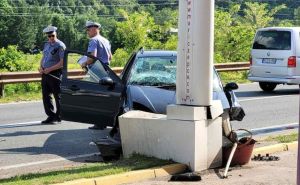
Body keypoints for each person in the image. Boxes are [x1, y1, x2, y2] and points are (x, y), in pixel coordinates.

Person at [82, 20, 113, 129]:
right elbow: (110, 57)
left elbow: (92, 57)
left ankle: (99, 123)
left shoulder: (93, 41)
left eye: (88, 29)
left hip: (97, 71)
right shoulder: (105, 40)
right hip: (106, 70)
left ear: (95, 29)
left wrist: (84, 63)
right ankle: (104, 121)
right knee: (104, 97)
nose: (87, 32)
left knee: (96, 97)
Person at [39, 25, 66, 124]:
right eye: (49, 36)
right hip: (45, 73)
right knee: (46, 95)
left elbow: (62, 62)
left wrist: (49, 69)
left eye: (52, 36)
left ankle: (58, 116)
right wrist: (41, 67)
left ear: (56, 34)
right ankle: (50, 116)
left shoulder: (60, 45)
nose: (51, 38)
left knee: (57, 95)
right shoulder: (46, 44)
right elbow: (44, 57)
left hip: (55, 74)